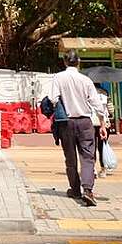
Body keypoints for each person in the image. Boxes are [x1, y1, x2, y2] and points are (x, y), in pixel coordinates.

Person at [48, 50, 105, 206]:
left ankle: (74, 189)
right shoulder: (85, 80)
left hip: (66, 123)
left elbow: (53, 98)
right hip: (85, 123)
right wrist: (102, 124)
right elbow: (97, 104)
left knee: (70, 158)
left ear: (65, 62)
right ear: (78, 61)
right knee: (87, 157)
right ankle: (88, 190)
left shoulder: (58, 78)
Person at [94, 86, 112, 176]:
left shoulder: (87, 92)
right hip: (104, 122)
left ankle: (92, 169)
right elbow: (111, 109)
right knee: (102, 147)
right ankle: (103, 169)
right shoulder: (105, 93)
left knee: (90, 147)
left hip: (91, 122)